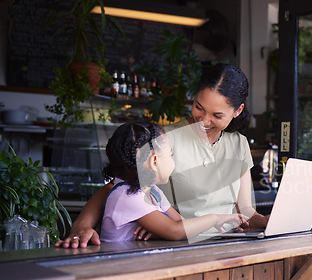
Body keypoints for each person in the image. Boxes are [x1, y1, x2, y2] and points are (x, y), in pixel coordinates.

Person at [56, 63, 268, 248]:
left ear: (238, 111)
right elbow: (115, 187)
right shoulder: (165, 139)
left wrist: (264, 221)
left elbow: (246, 209)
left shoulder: (238, 143)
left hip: (225, 246)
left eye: (217, 115)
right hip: (175, 247)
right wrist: (82, 226)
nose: (203, 120)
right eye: (198, 107)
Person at [98, 121, 247, 242]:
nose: (173, 159)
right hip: (120, 271)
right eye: (170, 154)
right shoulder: (127, 196)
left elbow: (181, 223)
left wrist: (160, 232)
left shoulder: (154, 192)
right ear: (154, 161)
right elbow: (175, 231)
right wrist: (215, 218)